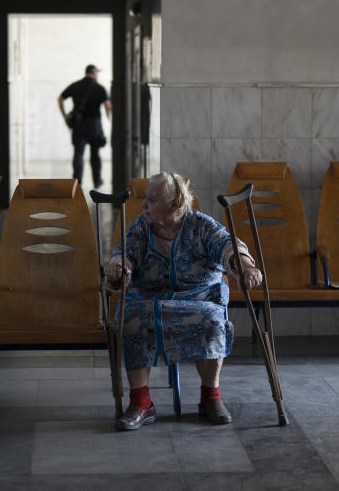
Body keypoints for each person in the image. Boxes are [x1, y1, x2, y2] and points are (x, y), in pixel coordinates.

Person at [104, 172, 264, 431]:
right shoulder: (141, 227)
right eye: (146, 199)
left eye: (152, 200)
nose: (144, 205)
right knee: (131, 318)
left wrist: (245, 267)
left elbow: (227, 245)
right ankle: (141, 402)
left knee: (213, 319)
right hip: (150, 298)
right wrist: (117, 267)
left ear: (176, 204)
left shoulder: (200, 225)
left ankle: (210, 397)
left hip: (199, 295)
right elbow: (123, 253)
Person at [58, 64, 111, 188]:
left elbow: (60, 98)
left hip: (78, 125)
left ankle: (78, 181)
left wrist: (65, 115)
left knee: (78, 154)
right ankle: (97, 181)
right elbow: (108, 106)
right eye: (97, 73)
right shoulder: (100, 88)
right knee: (95, 154)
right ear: (92, 73)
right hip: (94, 126)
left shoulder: (75, 85)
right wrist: (109, 119)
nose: (97, 75)